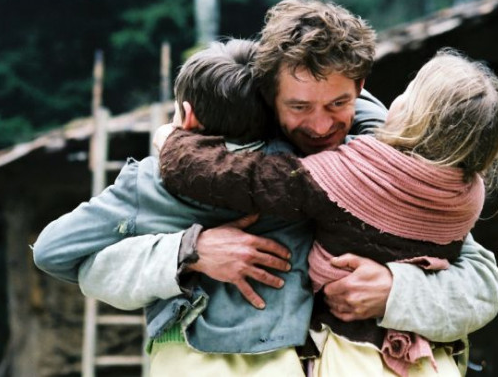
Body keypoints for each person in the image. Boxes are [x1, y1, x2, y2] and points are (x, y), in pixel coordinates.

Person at [40, 0, 498, 374]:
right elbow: (86, 265)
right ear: (268, 93)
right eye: (299, 107)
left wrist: (396, 290)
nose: (321, 126)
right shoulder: (187, 171)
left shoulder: (386, 167)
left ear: (360, 87)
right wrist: (189, 251)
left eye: (338, 103)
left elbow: (483, 284)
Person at [157, 49, 498, 376]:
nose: (319, 125)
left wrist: (175, 144)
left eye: (408, 93)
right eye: (300, 105)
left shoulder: (348, 172)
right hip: (430, 362)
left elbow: (243, 179)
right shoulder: (468, 195)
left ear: (415, 115)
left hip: (351, 356)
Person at [35, 39, 317, 375]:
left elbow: (51, 251)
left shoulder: (151, 183)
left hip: (183, 357)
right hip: (283, 356)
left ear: (188, 115)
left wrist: (182, 249)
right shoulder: (309, 167)